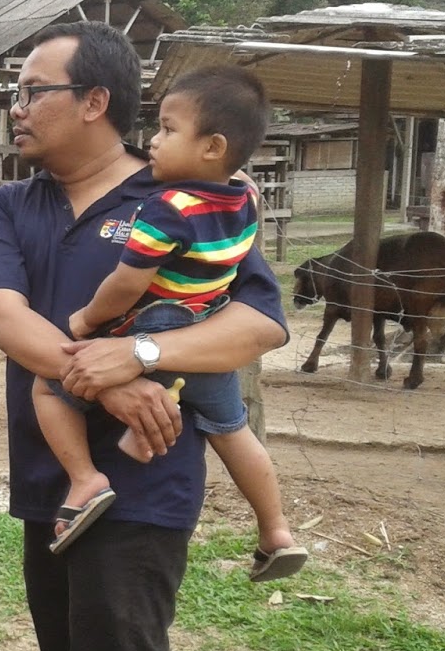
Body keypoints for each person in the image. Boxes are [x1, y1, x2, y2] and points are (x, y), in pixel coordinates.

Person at [0, 21, 289, 651]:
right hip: (50, 492)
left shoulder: (190, 197)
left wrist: (143, 357)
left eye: (32, 91)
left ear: (94, 101)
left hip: (143, 491)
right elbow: (5, 316)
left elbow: (259, 324)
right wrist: (104, 378)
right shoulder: (10, 206)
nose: (16, 108)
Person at [33, 65, 308, 582]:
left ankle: (86, 480)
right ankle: (275, 530)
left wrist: (87, 319)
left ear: (212, 146)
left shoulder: (167, 208)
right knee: (234, 433)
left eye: (167, 129)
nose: (152, 141)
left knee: (48, 386)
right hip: (204, 337)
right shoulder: (245, 198)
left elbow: (126, 284)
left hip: (154, 328)